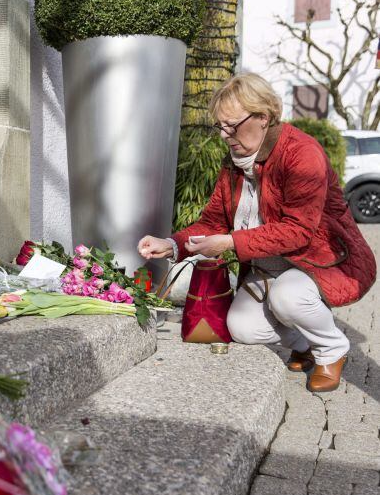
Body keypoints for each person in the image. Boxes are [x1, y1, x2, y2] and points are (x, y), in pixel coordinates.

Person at [138, 73, 376, 392]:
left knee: (288, 297)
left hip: (315, 263)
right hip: (266, 266)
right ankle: (305, 340)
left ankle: (332, 349)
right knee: (242, 328)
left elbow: (298, 231)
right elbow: (213, 221)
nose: (224, 134)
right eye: (220, 126)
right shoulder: (235, 162)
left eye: (231, 125)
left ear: (263, 117)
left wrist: (231, 242)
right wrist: (171, 245)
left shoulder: (302, 154)